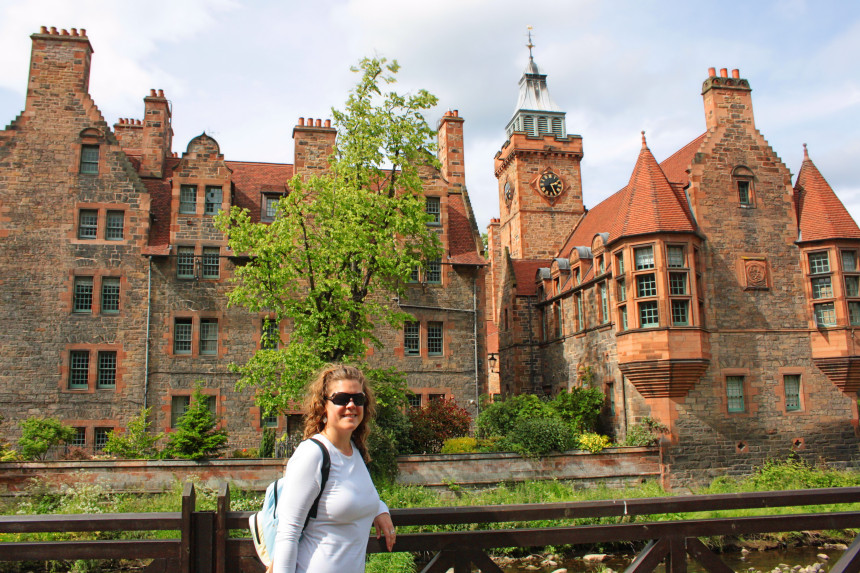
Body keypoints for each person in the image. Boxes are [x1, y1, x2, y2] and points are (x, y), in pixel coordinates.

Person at [271, 364, 396, 573]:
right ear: (323, 406)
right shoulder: (312, 454)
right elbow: (288, 533)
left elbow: (359, 494)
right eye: (340, 399)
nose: (351, 405)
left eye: (358, 399)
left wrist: (380, 510)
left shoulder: (355, 451)